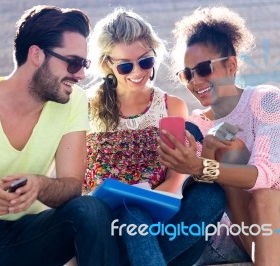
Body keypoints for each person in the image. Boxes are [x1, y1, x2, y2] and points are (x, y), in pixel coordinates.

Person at [0, 5, 119, 266]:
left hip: (29, 239)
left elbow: (72, 186)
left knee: (91, 210)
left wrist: (39, 185)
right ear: (36, 55)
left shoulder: (73, 101)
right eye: (73, 63)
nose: (81, 75)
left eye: (83, 64)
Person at [159, 6, 280, 265]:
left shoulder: (267, 100)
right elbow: (204, 196)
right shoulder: (198, 125)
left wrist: (203, 165)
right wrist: (204, 159)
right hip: (257, 233)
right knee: (227, 158)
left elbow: (264, 176)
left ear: (231, 65)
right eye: (187, 74)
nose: (195, 80)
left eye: (203, 69)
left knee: (263, 194)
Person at [84, 8, 226, 266]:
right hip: (104, 228)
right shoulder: (84, 107)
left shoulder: (171, 105)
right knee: (133, 214)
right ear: (107, 65)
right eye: (125, 66)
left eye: (145, 61)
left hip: (160, 222)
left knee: (211, 195)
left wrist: (155, 198)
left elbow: (174, 178)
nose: (137, 72)